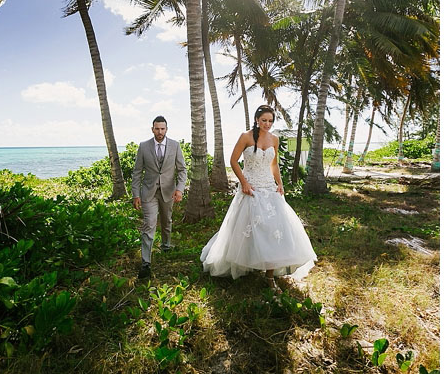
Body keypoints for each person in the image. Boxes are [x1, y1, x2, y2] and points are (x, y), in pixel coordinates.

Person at [201, 104, 316, 291]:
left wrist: (280, 183)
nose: (267, 124)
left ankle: (270, 275)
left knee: (274, 228)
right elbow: (233, 161)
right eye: (264, 120)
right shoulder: (245, 136)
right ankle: (248, 263)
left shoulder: (275, 139)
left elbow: (274, 165)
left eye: (270, 121)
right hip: (251, 188)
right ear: (257, 119)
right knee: (250, 229)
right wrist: (244, 183)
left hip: (270, 188)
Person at [130, 115, 187, 278]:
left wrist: (179, 189)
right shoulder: (143, 146)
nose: (160, 132)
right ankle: (146, 263)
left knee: (166, 220)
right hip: (148, 193)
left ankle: (166, 245)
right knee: (149, 225)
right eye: (157, 128)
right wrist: (136, 194)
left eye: (162, 129)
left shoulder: (175, 146)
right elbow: (137, 172)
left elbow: (182, 170)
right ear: (152, 129)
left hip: (168, 191)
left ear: (166, 129)